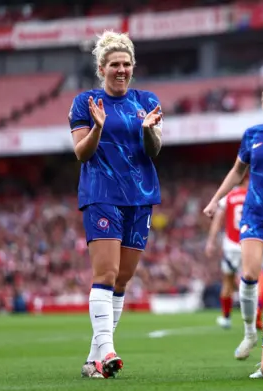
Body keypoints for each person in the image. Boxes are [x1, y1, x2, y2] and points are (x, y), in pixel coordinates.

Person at [71, 31, 163, 378]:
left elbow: (154, 150)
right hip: (102, 194)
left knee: (122, 281)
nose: (121, 70)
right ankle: (108, 349)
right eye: (114, 65)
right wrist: (97, 127)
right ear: (101, 68)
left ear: (133, 67)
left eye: (126, 64)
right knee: (105, 274)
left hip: (141, 197)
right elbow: (81, 153)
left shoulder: (146, 99)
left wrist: (149, 131)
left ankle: (94, 359)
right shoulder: (86, 102)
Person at [203, 81, 263, 360]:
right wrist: (215, 199)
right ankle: (249, 334)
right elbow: (236, 172)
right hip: (255, 213)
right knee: (250, 274)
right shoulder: (252, 134)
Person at [205, 176, 263, 329]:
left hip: (233, 245)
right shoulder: (261, 194)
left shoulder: (229, 196)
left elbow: (218, 218)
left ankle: (226, 318)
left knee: (228, 282)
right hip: (261, 242)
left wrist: (211, 240)